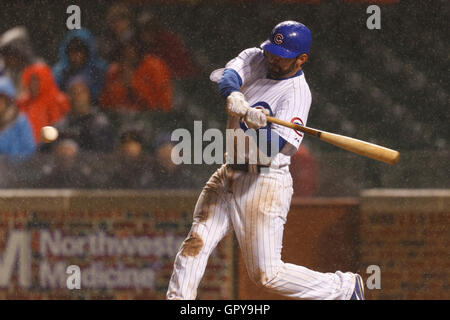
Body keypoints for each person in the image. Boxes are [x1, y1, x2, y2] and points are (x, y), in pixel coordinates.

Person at [166, 21, 364, 300]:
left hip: (265, 181)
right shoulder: (258, 57)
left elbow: (273, 148)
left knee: (266, 275)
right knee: (195, 243)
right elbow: (227, 77)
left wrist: (257, 126)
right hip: (229, 172)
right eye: (272, 51)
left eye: (281, 57)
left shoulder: (297, 95)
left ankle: (342, 288)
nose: (272, 59)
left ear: (301, 59)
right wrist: (235, 95)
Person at [99, 38, 173, 112]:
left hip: (154, 116)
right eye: (124, 52)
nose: (127, 55)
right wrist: (119, 85)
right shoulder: (115, 72)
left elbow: (157, 103)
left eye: (130, 51)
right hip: (124, 117)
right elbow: (106, 105)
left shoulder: (153, 66)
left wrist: (132, 85)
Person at [55, 77, 115, 153]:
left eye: (81, 92)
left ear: (88, 95)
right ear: (68, 96)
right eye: (73, 93)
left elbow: (104, 153)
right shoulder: (61, 124)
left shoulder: (100, 123)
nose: (77, 97)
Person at [17, 63, 71, 143]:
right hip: (23, 147)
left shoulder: (58, 100)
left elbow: (58, 129)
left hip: (47, 148)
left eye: (37, 80)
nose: (33, 84)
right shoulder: (22, 102)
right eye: (31, 80)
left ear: (45, 80)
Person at [136, 11, 197, 79]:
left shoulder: (165, 40)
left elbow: (172, 64)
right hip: (179, 75)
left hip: (180, 77)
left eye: (145, 30)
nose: (143, 35)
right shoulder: (158, 42)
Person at [52, 29, 108, 103]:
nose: (76, 55)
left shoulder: (98, 70)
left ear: (87, 52)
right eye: (72, 51)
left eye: (80, 50)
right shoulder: (60, 71)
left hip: (95, 108)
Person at [0, 75, 36, 162]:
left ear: (8, 101)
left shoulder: (20, 121)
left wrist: (9, 161)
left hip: (14, 172)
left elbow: (29, 150)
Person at [0, 26, 41, 97]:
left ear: (19, 53)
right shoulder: (6, 72)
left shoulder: (39, 70)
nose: (6, 61)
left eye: (8, 56)